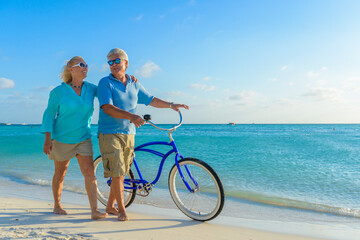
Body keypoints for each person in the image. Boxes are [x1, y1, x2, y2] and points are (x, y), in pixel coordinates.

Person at [97, 48, 189, 221]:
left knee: (122, 172)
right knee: (117, 172)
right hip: (109, 132)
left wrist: (171, 105)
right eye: (110, 62)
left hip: (129, 133)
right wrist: (132, 116)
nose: (114, 65)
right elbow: (107, 107)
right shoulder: (105, 82)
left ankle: (110, 205)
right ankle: (122, 209)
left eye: (117, 61)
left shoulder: (134, 83)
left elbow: (151, 99)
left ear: (126, 63)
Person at [41, 56, 108, 220]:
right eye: (81, 65)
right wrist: (47, 139)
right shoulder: (58, 92)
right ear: (71, 69)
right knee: (60, 173)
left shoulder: (91, 89)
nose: (85, 67)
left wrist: (126, 79)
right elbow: (49, 115)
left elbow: (109, 90)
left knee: (90, 173)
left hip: (84, 137)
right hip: (62, 138)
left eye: (86, 65)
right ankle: (57, 205)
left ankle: (94, 210)